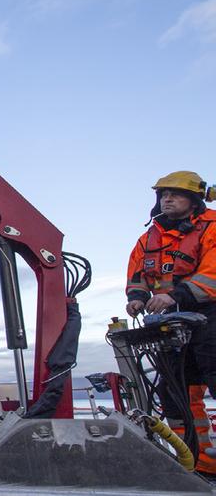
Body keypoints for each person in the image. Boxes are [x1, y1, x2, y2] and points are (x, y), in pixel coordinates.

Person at [125, 170, 216, 474]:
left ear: (193, 200)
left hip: (210, 315)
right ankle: (197, 463)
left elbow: (212, 274)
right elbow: (137, 274)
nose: (167, 199)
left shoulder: (212, 227)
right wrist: (137, 297)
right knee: (175, 391)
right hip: (172, 324)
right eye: (163, 194)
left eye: (175, 194)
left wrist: (175, 296)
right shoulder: (149, 237)